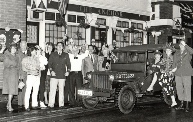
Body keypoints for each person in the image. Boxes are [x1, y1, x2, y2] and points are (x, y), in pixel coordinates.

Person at [48, 42, 71, 108]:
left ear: (63, 47)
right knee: (52, 90)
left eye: (61, 45)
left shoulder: (66, 55)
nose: (60, 46)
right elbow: (49, 64)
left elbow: (68, 64)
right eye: (58, 45)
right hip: (54, 75)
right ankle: (51, 104)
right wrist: (51, 71)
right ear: (56, 47)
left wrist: (68, 71)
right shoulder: (53, 54)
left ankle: (61, 104)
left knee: (61, 90)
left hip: (62, 75)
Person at [173, 40, 193, 112]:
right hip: (178, 73)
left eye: (182, 44)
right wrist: (173, 69)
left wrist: (186, 45)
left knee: (187, 88)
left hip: (187, 72)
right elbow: (174, 63)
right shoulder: (176, 53)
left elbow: (192, 51)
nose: (181, 46)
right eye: (180, 44)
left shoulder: (188, 52)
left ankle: (187, 105)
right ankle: (181, 104)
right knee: (179, 88)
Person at [0, 43, 20, 112]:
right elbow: (0, 57)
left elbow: (18, 67)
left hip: (15, 75)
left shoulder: (17, 57)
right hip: (8, 75)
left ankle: (8, 104)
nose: (14, 50)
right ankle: (9, 106)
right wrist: (2, 49)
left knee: (12, 91)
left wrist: (19, 76)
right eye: (12, 48)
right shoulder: (7, 55)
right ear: (10, 49)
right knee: (11, 91)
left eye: (15, 48)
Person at [22, 46, 41, 111]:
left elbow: (39, 67)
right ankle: (26, 106)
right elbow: (24, 68)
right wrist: (31, 69)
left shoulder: (37, 59)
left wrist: (39, 75)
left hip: (37, 77)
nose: (35, 51)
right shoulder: (26, 59)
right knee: (28, 91)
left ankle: (34, 104)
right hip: (30, 76)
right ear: (31, 51)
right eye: (34, 50)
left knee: (35, 91)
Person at [17, 41, 28, 108]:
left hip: (27, 74)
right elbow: (18, 64)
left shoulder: (28, 53)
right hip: (20, 73)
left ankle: (24, 102)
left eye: (24, 45)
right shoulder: (18, 53)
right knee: (20, 89)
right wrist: (19, 75)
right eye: (22, 45)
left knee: (26, 88)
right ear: (20, 46)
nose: (23, 47)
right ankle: (20, 103)